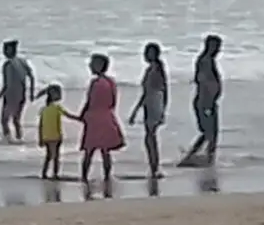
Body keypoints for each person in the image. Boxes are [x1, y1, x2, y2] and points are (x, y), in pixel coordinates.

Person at [78, 53, 124, 184]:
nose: (89, 65)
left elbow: (89, 101)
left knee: (89, 151)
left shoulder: (95, 83)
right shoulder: (111, 82)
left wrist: (82, 115)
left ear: (98, 66)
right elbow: (114, 101)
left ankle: (84, 176)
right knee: (105, 151)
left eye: (92, 63)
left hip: (94, 118)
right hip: (108, 116)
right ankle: (107, 176)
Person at [179, 34, 223, 167]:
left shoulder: (207, 60)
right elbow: (203, 81)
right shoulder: (205, 61)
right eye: (217, 47)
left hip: (207, 101)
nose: (219, 50)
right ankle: (205, 158)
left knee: (208, 132)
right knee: (210, 132)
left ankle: (195, 155)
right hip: (205, 101)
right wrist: (208, 103)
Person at [129, 42, 169, 179]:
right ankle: (154, 166)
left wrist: (135, 110)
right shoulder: (157, 69)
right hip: (155, 101)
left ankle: (154, 166)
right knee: (151, 136)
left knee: (150, 137)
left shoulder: (153, 70)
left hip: (153, 102)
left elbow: (148, 92)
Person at [0, 39, 37, 143]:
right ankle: (20, 138)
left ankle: (8, 140)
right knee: (16, 120)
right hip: (22, 95)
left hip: (11, 96)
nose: (4, 52)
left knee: (4, 120)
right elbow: (32, 77)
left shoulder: (7, 64)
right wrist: (32, 93)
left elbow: (6, 85)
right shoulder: (22, 61)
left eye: (5, 49)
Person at [38, 84, 77, 179]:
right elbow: (68, 115)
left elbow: (40, 125)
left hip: (46, 136)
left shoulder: (44, 109)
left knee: (49, 156)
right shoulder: (57, 107)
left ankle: (44, 173)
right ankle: (55, 174)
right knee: (56, 157)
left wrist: (40, 138)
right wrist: (80, 118)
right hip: (55, 135)